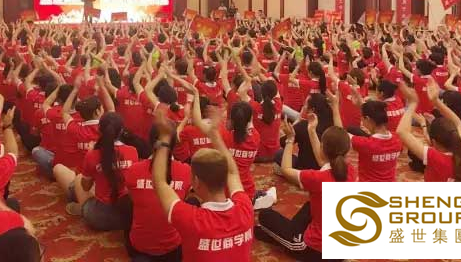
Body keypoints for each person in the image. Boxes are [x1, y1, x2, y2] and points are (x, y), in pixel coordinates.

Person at [152, 107, 254, 261]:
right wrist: (215, 136)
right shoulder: (246, 208)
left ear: (196, 182)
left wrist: (165, 136)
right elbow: (233, 173)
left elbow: (159, 182)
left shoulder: (192, 219)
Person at [255, 121, 355, 261]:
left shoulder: (317, 178)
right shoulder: (350, 170)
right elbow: (322, 161)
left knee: (265, 216)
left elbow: (286, 169)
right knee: (309, 206)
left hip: (315, 249)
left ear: (322, 148)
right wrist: (311, 130)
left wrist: (290, 139)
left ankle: (284, 238)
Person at [124, 124, 192, 261]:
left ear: (150, 142)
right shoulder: (186, 171)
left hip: (140, 249)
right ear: (174, 144)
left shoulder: (133, 170)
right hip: (174, 250)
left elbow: (132, 198)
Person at [397, 81, 461, 182]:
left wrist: (413, 103)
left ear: (434, 142)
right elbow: (458, 123)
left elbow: (402, 132)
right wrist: (435, 101)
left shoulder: (437, 158)